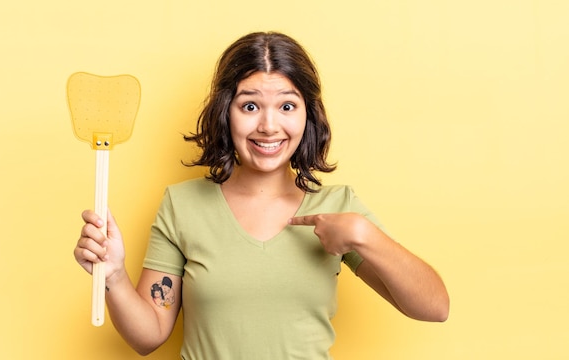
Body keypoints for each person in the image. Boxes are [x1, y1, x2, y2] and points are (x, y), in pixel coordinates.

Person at [74, 31, 449, 359]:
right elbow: (148, 336)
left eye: (287, 106)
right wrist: (115, 275)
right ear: (226, 112)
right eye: (250, 106)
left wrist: (363, 235)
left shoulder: (338, 208)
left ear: (308, 115)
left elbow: (434, 307)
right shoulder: (182, 205)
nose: (269, 126)